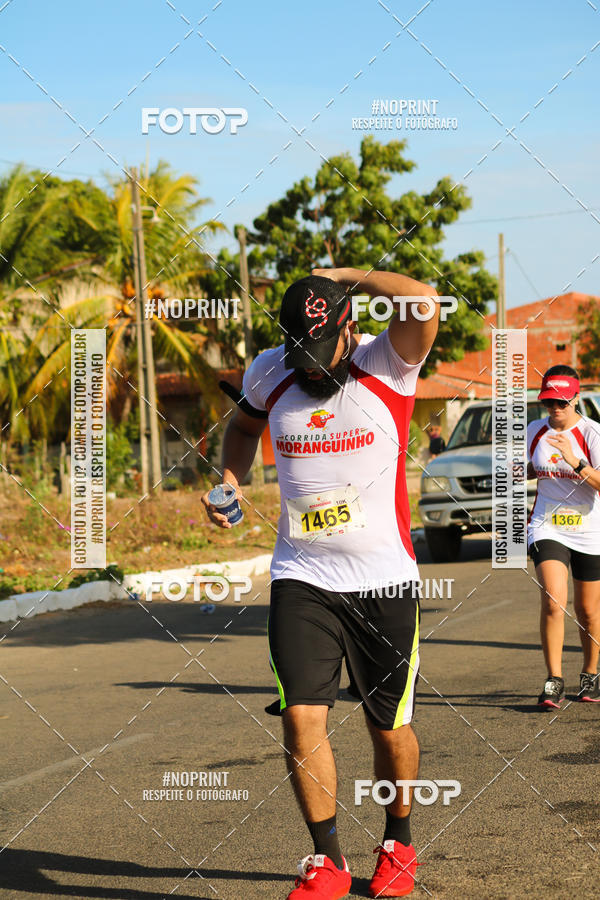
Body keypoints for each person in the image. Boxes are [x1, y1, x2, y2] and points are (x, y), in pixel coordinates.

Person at [202, 268, 440, 899]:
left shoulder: (389, 362)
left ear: (349, 327)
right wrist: (230, 479)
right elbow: (245, 428)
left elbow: (421, 299)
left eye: (320, 353)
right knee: (302, 716)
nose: (309, 369)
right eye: (298, 354)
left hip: (384, 580)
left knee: (388, 727)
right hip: (301, 577)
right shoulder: (270, 369)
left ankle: (398, 841)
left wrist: (350, 275)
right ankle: (326, 860)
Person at [527, 364, 600, 708]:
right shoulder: (534, 431)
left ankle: (590, 674)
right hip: (547, 524)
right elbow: (525, 470)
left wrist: (576, 462)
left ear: (575, 398)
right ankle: (553, 679)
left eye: (561, 403)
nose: (554, 410)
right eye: (548, 403)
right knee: (554, 600)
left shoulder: (592, 433)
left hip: (588, 530)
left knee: (587, 611)